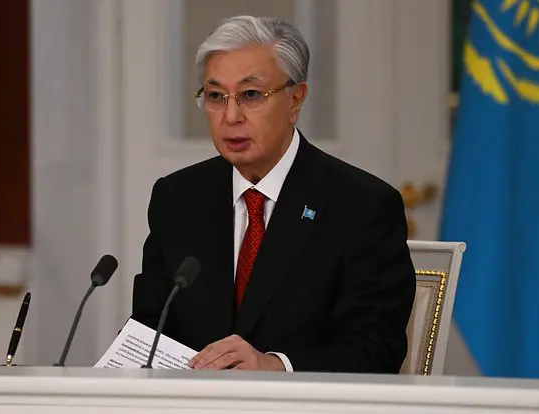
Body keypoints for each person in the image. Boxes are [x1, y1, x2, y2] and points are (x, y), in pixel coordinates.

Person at [131, 15, 416, 373]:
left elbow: (375, 351)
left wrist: (276, 367)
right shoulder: (177, 199)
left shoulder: (362, 207)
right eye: (216, 96)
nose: (230, 116)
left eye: (250, 95)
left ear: (295, 100)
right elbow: (148, 329)